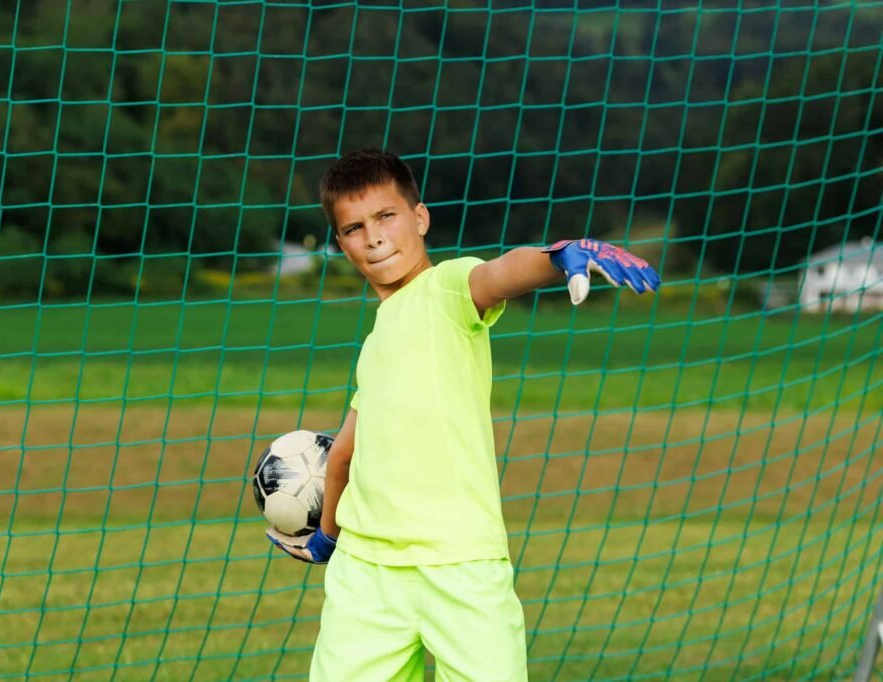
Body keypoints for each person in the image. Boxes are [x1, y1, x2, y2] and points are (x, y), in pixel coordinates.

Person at [265, 150, 660, 681]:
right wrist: (330, 538)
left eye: (387, 216)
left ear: (420, 218)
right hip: (366, 575)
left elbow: (499, 273)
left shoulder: (446, 289)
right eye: (355, 227)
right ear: (341, 244)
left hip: (460, 566)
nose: (375, 237)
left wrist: (559, 254)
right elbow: (343, 453)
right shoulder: (376, 341)